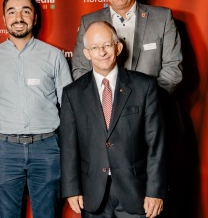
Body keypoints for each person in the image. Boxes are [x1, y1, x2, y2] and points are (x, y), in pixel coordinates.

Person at [60, 21, 166, 218]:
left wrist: (155, 191)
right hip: (93, 192)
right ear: (87, 53)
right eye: (95, 47)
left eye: (107, 45)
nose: (102, 52)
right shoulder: (72, 94)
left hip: (137, 192)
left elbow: (156, 144)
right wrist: (71, 188)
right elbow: (69, 146)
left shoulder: (145, 87)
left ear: (118, 48)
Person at [0, 0, 72, 218]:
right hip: (4, 150)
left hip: (47, 148)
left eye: (25, 11)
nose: (18, 17)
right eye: (11, 12)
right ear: (4, 19)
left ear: (35, 17)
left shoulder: (54, 56)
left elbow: (69, 108)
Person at [72, 0, 182, 95]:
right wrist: (104, 99)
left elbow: (173, 69)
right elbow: (80, 70)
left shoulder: (162, 18)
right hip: (106, 108)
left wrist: (147, 100)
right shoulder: (88, 22)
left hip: (151, 106)